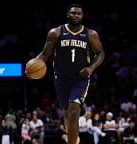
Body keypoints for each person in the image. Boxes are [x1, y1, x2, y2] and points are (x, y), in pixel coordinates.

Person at [25, 3, 105, 144]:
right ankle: (73, 138)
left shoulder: (90, 34)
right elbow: (45, 55)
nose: (76, 15)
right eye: (73, 13)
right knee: (67, 113)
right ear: (67, 15)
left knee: (75, 111)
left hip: (80, 79)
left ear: (82, 16)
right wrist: (33, 66)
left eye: (79, 13)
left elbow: (101, 53)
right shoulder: (55, 33)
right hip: (61, 78)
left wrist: (91, 68)